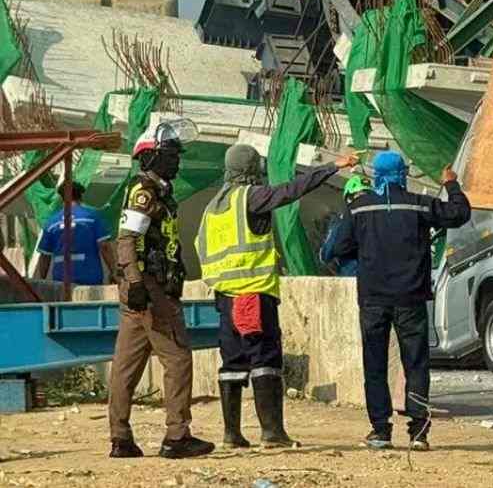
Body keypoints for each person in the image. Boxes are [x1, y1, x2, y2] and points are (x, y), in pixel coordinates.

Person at [196, 145, 359, 449]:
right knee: (265, 359)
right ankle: (272, 432)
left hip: (225, 297)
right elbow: (290, 191)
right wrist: (331, 167)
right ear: (251, 170)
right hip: (253, 293)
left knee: (232, 363)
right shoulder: (250, 197)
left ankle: (231, 435)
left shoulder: (213, 207)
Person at [328, 152, 472, 451]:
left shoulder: (360, 208)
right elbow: (458, 214)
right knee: (416, 365)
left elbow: (339, 247)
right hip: (411, 298)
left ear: (377, 175)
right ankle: (419, 433)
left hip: (373, 299)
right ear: (403, 174)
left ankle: (380, 431)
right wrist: (451, 184)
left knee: (375, 365)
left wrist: (367, 255)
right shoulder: (419, 204)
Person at [108, 121, 215, 460]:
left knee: (127, 365)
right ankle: (177, 436)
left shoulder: (159, 191)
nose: (177, 161)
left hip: (142, 287)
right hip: (150, 288)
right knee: (178, 358)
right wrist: (137, 282)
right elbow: (127, 238)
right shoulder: (145, 191)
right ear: (150, 157)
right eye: (170, 155)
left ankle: (121, 438)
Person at [33, 182, 114, 285]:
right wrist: (113, 271)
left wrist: (42, 280)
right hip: (89, 277)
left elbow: (44, 256)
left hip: (61, 279)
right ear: (81, 197)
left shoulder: (51, 223)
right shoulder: (92, 217)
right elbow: (104, 246)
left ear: (62, 198)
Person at [319, 176, 367, 277]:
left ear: (349, 199)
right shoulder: (383, 219)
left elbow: (325, 255)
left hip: (352, 276)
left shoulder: (342, 220)